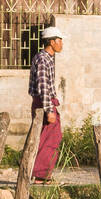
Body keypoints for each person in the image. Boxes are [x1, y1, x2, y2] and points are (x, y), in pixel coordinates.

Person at [28, 26, 66, 183]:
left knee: (46, 138)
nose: (61, 44)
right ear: (51, 42)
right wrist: (49, 110)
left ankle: (41, 174)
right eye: (59, 40)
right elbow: (43, 86)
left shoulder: (46, 58)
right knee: (49, 139)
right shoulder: (43, 59)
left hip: (45, 102)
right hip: (44, 103)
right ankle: (40, 175)